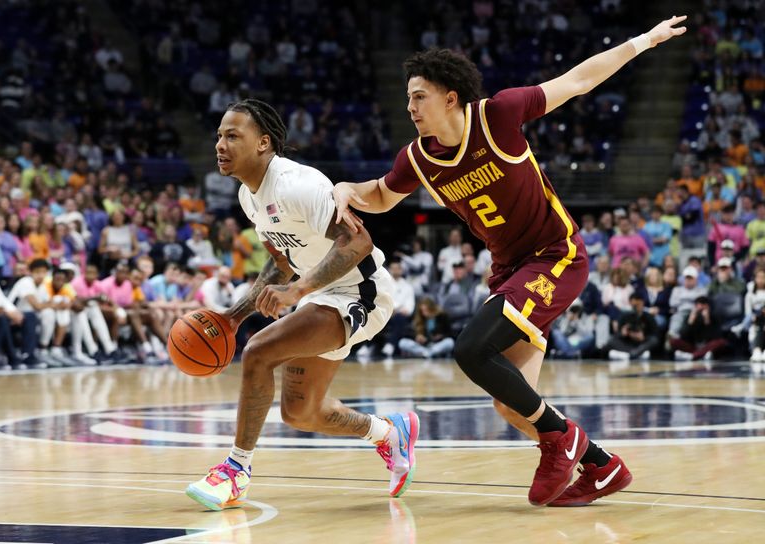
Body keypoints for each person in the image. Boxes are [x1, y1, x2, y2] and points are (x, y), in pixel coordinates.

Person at [333, 17, 688, 505]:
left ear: (450, 97)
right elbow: (381, 196)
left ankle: (560, 442)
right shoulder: (417, 158)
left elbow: (577, 80)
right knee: (510, 402)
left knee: (470, 349)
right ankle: (601, 465)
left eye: (419, 96)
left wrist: (644, 41)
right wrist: (347, 189)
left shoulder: (497, 115)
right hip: (509, 272)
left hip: (555, 256)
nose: (409, 106)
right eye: (409, 97)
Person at [186, 99, 417, 512]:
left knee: (258, 353)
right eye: (219, 136)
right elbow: (282, 265)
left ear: (263, 143)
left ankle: (236, 470)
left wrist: (298, 291)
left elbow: (358, 242)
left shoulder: (297, 184)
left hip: (359, 292)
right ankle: (388, 432)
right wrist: (234, 315)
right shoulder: (248, 197)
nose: (220, 144)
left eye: (232, 135)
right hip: (320, 295)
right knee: (300, 412)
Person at [606, 292, 659, 361]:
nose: (636, 307)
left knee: (653, 340)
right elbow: (618, 334)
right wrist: (623, 333)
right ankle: (634, 353)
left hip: (641, 344)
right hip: (628, 343)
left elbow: (654, 335)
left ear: (642, 302)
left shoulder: (649, 317)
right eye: (634, 305)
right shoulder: (625, 316)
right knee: (611, 340)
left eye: (637, 304)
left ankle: (630, 354)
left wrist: (643, 337)